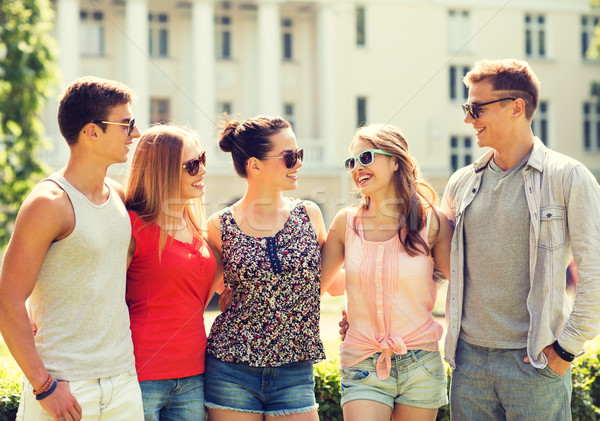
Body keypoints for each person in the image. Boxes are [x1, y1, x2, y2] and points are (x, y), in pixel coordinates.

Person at [441, 58, 600, 420]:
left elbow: (595, 273)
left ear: (516, 107)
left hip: (535, 363)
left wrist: (566, 350)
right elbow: (434, 265)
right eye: (468, 107)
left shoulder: (569, 177)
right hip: (469, 367)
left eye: (476, 107)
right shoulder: (461, 182)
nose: (468, 118)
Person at [0, 76, 144, 420]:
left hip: (123, 381)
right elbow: (7, 299)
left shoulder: (118, 197)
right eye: (126, 125)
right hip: (64, 386)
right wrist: (44, 386)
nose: (134, 134)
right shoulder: (48, 203)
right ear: (91, 132)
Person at [321, 124, 452, 421]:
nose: (356, 168)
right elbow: (322, 286)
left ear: (395, 161)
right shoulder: (346, 222)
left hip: (421, 362)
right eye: (351, 162)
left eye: (365, 157)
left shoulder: (432, 221)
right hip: (363, 360)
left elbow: (464, 284)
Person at [203, 115, 327, 421]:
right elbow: (204, 290)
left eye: (299, 155)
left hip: (294, 370)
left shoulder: (309, 215)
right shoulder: (219, 225)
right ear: (254, 165)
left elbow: (332, 282)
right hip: (231, 369)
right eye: (289, 157)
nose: (297, 163)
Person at [125, 124, 220, 420]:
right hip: (141, 376)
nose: (202, 170)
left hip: (193, 375)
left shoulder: (197, 228)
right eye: (192, 165)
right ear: (162, 171)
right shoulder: (131, 226)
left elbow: (194, 297)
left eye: (202, 159)